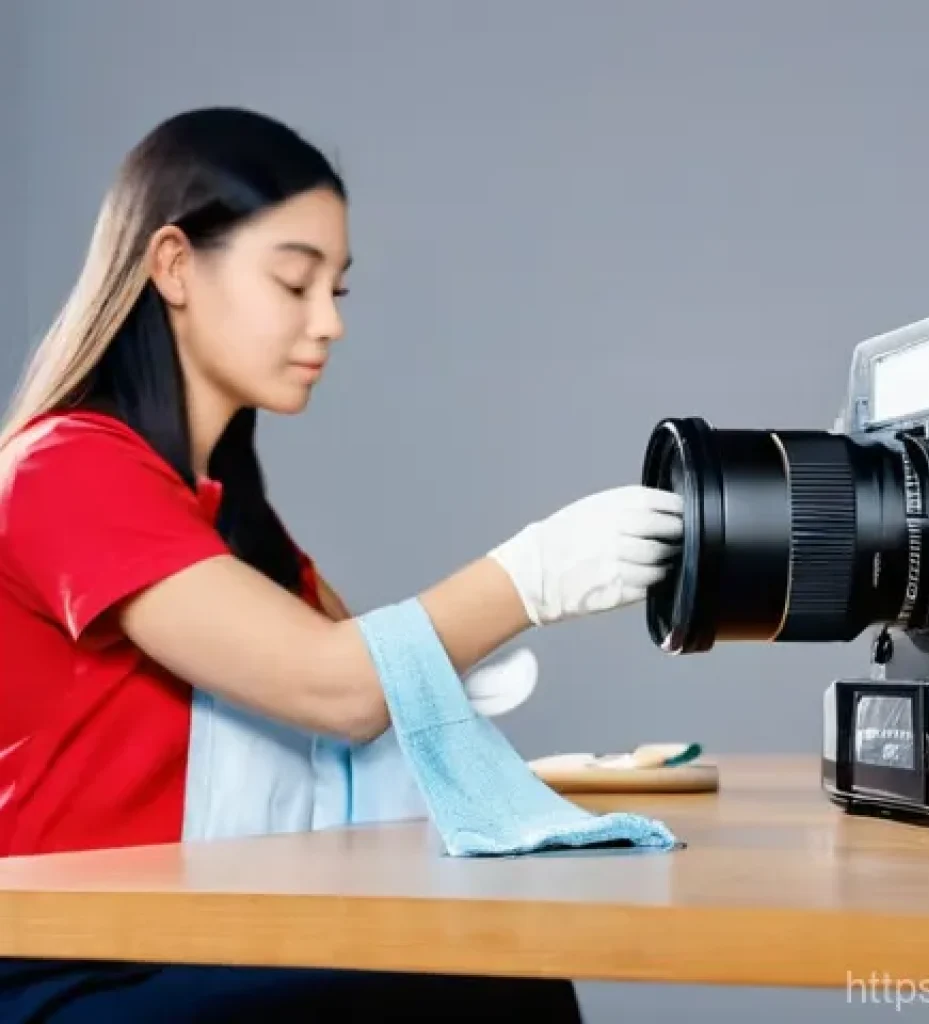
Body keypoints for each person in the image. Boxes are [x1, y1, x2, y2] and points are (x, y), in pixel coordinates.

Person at [0, 107, 683, 1021]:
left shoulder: (232, 515)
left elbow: (365, 678)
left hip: (181, 938)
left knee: (508, 978)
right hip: (67, 970)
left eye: (340, 293)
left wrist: (452, 696)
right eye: (294, 284)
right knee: (499, 994)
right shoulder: (66, 470)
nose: (329, 324)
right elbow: (342, 686)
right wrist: (536, 574)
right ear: (173, 267)